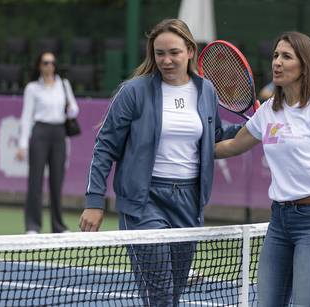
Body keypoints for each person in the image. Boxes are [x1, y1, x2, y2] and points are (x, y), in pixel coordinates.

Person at [79, 19, 239, 306]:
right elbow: (105, 146)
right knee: (160, 295)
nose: (166, 60)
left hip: (189, 203)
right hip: (143, 202)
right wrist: (94, 201)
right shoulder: (134, 91)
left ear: (190, 51)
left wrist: (256, 127)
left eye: (174, 52)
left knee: (172, 295)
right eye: (159, 53)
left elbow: (215, 137)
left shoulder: (206, 91)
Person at [215, 31, 310, 307]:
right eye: (275, 55)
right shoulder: (268, 112)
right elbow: (231, 146)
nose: (277, 62)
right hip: (280, 221)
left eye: (286, 56)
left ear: (305, 64)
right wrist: (191, 150)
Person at [16, 52, 79, 234]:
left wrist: (70, 110)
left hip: (59, 133)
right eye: (45, 62)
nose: (49, 66)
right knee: (35, 180)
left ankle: (58, 226)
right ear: (39, 65)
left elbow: (74, 109)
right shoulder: (32, 88)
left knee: (57, 181)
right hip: (40, 132)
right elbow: (26, 116)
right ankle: (33, 225)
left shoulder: (64, 85)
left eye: (52, 62)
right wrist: (22, 144)